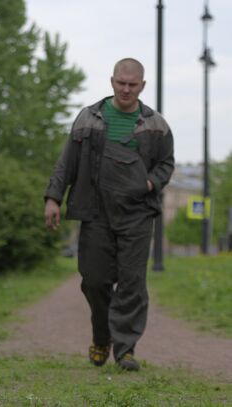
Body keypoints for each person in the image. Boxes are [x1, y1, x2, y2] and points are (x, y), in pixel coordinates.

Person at [44, 58, 174, 371]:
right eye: (121, 82)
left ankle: (125, 350)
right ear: (112, 81)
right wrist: (53, 198)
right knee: (94, 279)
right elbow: (67, 162)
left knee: (132, 283)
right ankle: (102, 337)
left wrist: (149, 182)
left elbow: (166, 164)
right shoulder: (88, 119)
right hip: (95, 211)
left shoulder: (156, 126)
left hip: (137, 214)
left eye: (133, 84)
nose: (126, 89)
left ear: (142, 86)